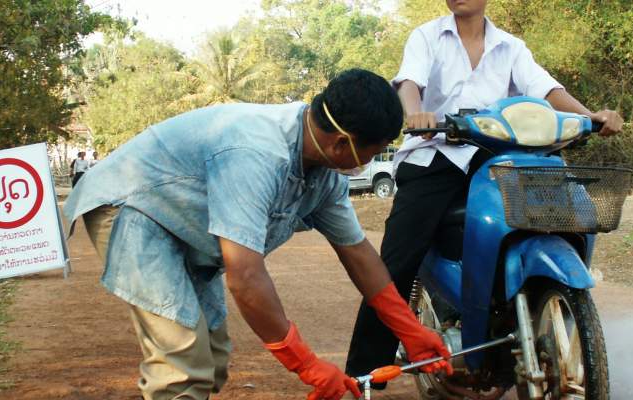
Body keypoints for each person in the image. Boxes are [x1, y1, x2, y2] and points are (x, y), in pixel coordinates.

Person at [63, 69, 453, 400]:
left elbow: (360, 255)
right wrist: (307, 364)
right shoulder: (257, 153)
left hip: (183, 223)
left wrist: (410, 330)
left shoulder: (324, 173)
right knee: (182, 365)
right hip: (132, 206)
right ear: (341, 142)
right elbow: (245, 277)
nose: (370, 162)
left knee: (211, 361)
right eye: (373, 152)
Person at [344, 0, 625, 385]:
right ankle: (364, 372)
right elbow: (410, 82)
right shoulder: (427, 36)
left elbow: (547, 90)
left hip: (493, 156)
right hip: (434, 154)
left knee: (545, 215)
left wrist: (589, 116)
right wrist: (415, 112)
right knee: (397, 260)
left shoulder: (511, 47)